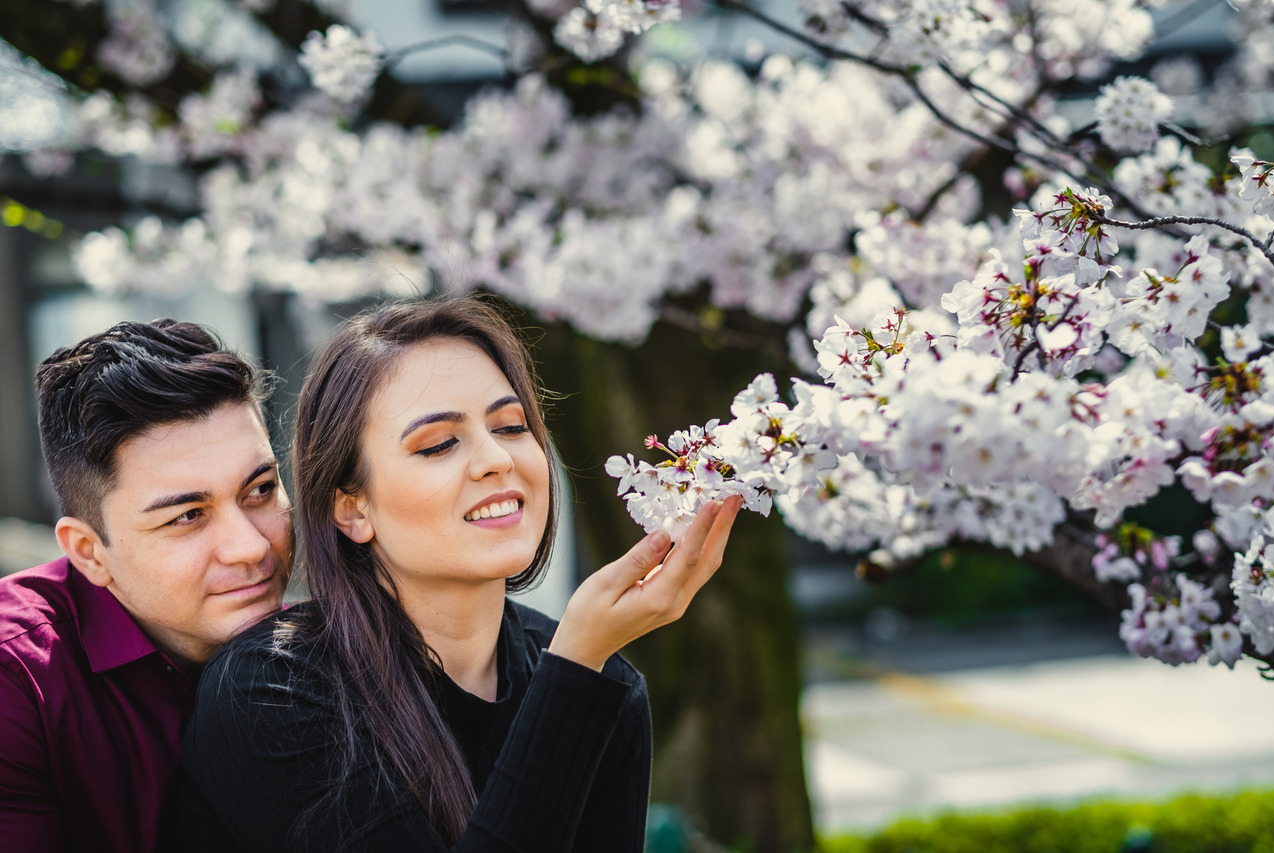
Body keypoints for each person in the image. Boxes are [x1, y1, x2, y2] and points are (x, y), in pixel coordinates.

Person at [176, 297, 742, 852]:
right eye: (439, 443)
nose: (496, 458)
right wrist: (574, 666)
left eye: (512, 426)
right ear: (351, 508)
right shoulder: (268, 693)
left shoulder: (607, 686)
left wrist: (581, 665)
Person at [0, 320, 294, 853]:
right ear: (89, 552)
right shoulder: (18, 683)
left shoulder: (334, 635)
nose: (251, 547)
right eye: (187, 516)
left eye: (260, 489)